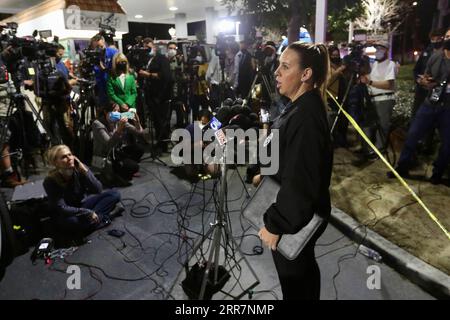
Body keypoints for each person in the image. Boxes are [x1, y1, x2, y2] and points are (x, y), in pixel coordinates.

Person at [255, 42, 333, 300]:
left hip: (295, 220)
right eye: (278, 64)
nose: (276, 72)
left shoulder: (306, 116)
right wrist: (263, 175)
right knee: (303, 274)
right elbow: (287, 157)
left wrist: (276, 225)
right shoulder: (298, 106)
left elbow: (300, 180)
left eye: (285, 66)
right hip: (295, 215)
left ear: (306, 74)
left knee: (297, 283)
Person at [389, 27, 450, 185]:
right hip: (429, 104)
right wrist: (424, 82)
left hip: (448, 109)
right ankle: (403, 167)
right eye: (447, 36)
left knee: (447, 143)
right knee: (412, 135)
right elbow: (424, 76)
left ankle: (438, 172)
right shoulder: (435, 57)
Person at [43, 145, 122, 238]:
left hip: (82, 205)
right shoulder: (50, 181)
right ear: (55, 162)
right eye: (64, 157)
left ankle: (94, 221)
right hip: (68, 213)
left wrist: (85, 171)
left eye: (70, 154)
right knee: (72, 222)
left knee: (114, 194)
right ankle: (104, 217)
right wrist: (87, 212)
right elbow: (62, 208)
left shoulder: (79, 169)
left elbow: (98, 189)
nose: (69, 158)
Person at [359, 40, 397, 159]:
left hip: (384, 99)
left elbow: (389, 85)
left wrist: (370, 82)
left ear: (386, 50)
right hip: (373, 100)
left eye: (381, 48)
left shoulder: (391, 64)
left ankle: (379, 150)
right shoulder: (374, 64)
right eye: (377, 48)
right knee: (368, 124)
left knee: (382, 126)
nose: (378, 51)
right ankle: (368, 148)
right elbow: (369, 78)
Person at [92, 105, 145, 185]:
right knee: (133, 167)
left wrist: (136, 121)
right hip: (106, 155)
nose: (117, 113)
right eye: (114, 111)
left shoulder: (118, 120)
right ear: (106, 112)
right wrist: (119, 129)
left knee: (139, 149)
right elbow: (109, 144)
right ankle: (117, 175)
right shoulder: (97, 124)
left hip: (117, 151)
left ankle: (123, 170)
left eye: (118, 111)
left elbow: (139, 132)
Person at [138, 38, 171, 153]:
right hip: (150, 95)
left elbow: (165, 76)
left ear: (154, 47)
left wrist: (148, 75)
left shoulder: (162, 59)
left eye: (149, 46)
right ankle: (159, 142)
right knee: (156, 121)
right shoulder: (148, 60)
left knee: (162, 121)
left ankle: (163, 145)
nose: (147, 49)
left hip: (161, 96)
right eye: (144, 47)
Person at [327, 45, 348, 147]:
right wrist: (338, 71)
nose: (335, 57)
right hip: (331, 97)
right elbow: (327, 82)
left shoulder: (342, 65)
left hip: (342, 96)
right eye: (333, 55)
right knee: (332, 119)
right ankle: (332, 140)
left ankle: (342, 140)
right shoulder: (326, 66)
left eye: (337, 55)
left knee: (343, 120)